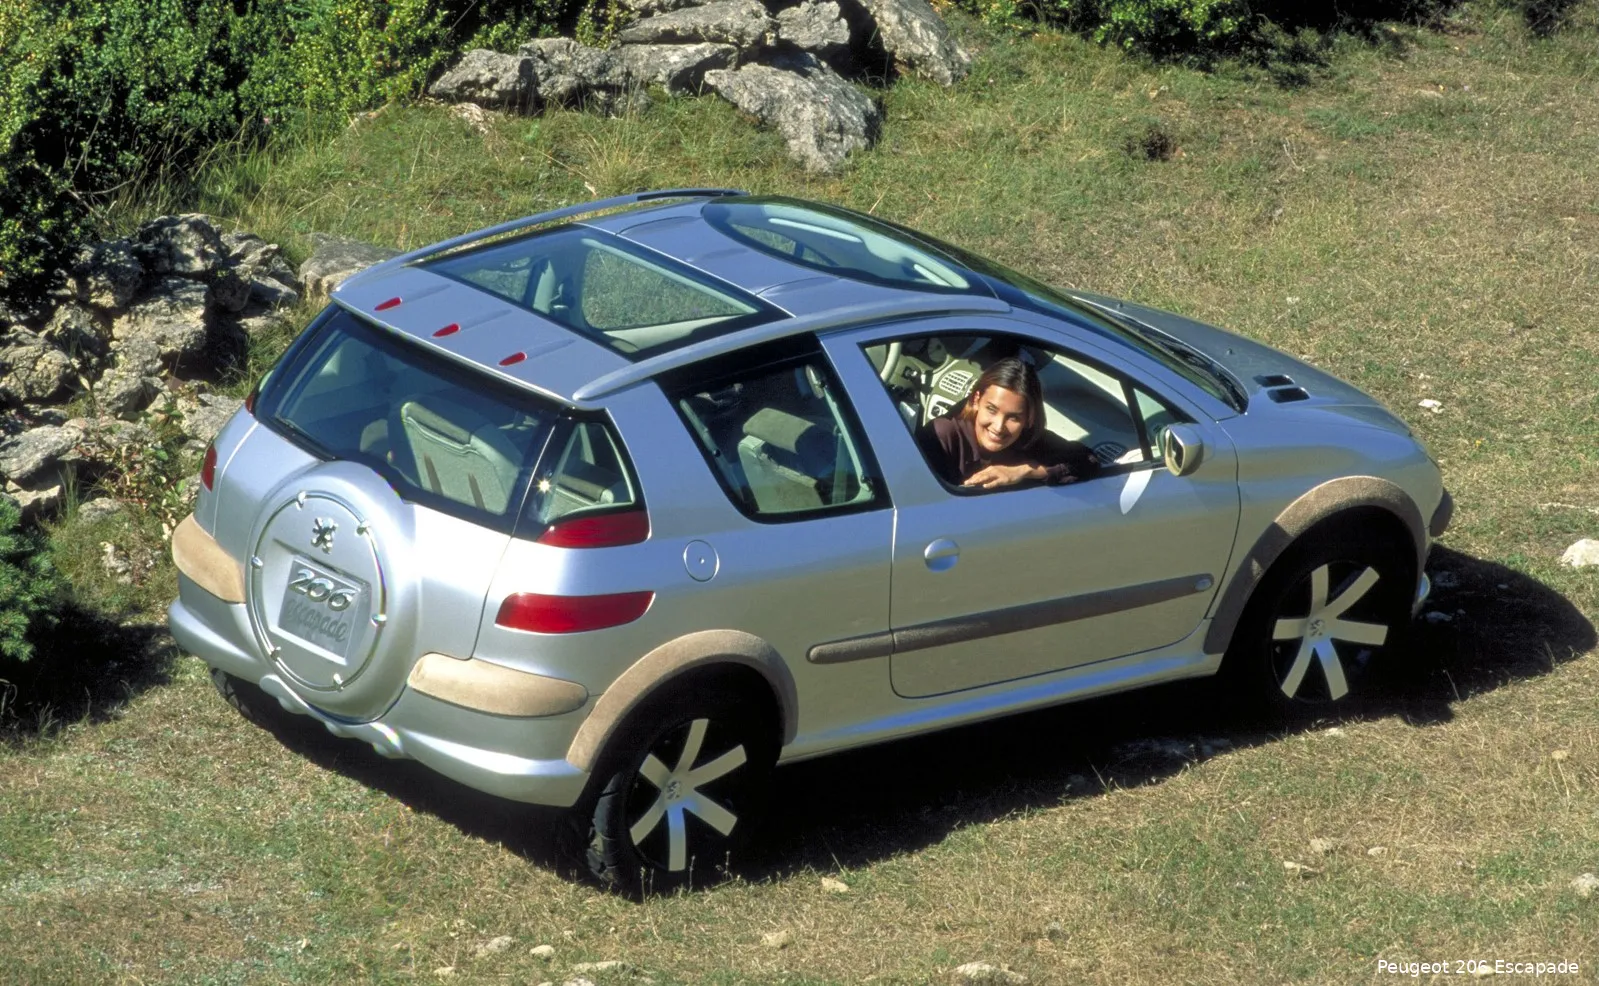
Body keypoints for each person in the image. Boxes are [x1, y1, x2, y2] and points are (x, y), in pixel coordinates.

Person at [915, 357, 1099, 490]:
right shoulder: (941, 436)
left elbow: (1086, 461)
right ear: (976, 399)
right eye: (991, 410)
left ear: (1029, 418)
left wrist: (1024, 471)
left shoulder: (1027, 438)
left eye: (1014, 418)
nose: (998, 427)